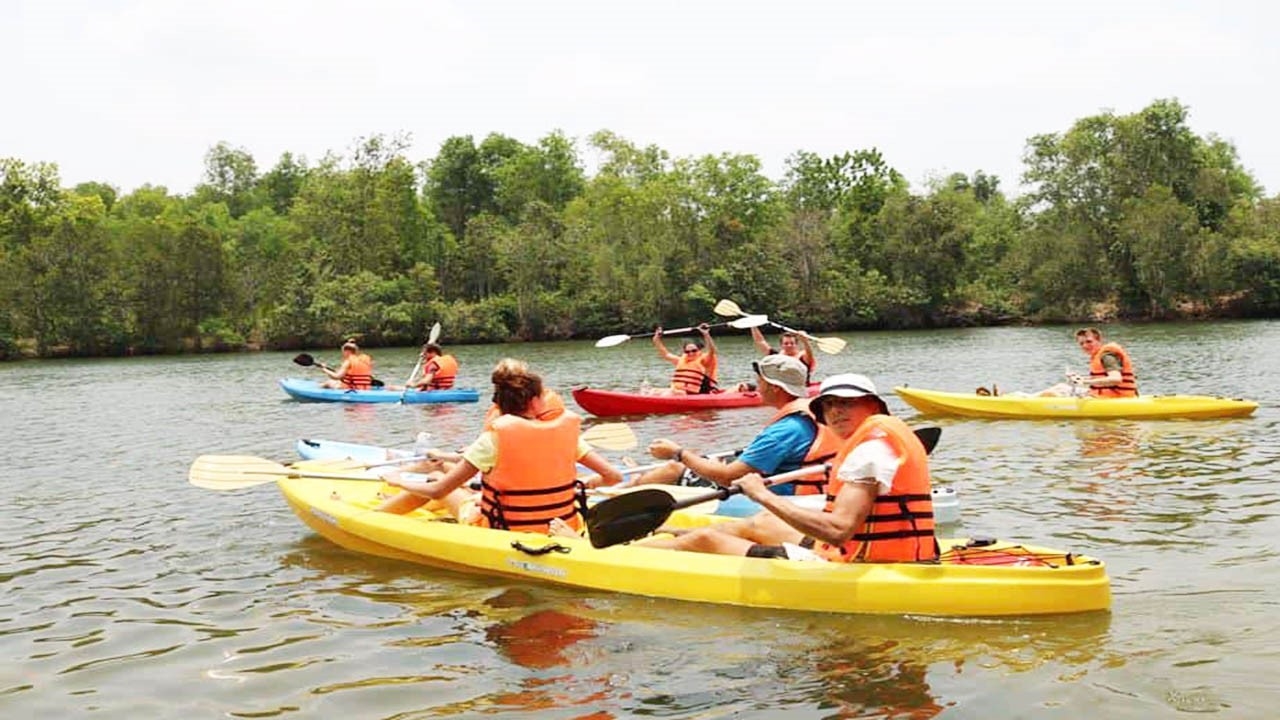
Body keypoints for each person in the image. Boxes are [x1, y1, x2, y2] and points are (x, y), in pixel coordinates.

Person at [638, 373, 937, 564]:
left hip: (861, 562)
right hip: (868, 550)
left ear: (873, 407)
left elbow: (838, 531)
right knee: (758, 524)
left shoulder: (870, 451)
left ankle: (617, 556)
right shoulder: (877, 440)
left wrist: (761, 493)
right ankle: (666, 532)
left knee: (706, 541)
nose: (836, 411)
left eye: (848, 403)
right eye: (829, 404)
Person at [376, 359, 623, 533]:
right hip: (562, 527)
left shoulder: (493, 439)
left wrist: (397, 480)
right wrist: (587, 484)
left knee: (432, 479)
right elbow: (613, 477)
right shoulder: (568, 435)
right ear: (537, 402)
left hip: (503, 528)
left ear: (500, 403)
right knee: (467, 492)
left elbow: (438, 491)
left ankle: (373, 520)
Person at [633, 353, 839, 497]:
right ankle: (630, 485)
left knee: (673, 468)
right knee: (699, 461)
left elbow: (728, 478)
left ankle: (617, 497)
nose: (757, 386)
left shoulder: (785, 430)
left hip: (781, 497)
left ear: (775, 388)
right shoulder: (814, 413)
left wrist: (678, 452)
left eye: (760, 382)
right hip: (805, 487)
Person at [1038, 327, 1138, 398]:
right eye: (1081, 343)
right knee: (1060, 388)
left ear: (1099, 340)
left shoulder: (1107, 356)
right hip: (1108, 395)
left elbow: (1116, 379)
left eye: (1089, 342)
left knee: (1059, 390)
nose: (1085, 346)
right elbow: (1103, 379)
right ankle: (1029, 400)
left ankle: (1028, 403)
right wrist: (1080, 379)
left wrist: (1085, 382)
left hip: (1115, 398)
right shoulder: (1099, 355)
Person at [651, 323, 718, 395]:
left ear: (699, 350)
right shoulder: (681, 360)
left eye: (694, 351)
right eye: (687, 352)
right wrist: (656, 339)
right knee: (653, 391)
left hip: (694, 393)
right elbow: (666, 354)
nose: (691, 353)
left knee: (670, 393)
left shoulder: (704, 360)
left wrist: (706, 334)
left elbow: (712, 351)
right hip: (679, 391)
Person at [751, 327, 816, 382]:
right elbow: (760, 341)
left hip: (800, 386)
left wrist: (805, 341)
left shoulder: (803, 356)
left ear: (796, 344)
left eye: (792, 343)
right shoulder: (776, 355)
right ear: (781, 345)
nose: (789, 345)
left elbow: (809, 355)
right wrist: (753, 326)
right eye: (786, 343)